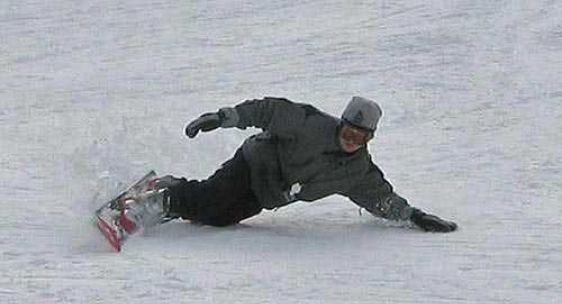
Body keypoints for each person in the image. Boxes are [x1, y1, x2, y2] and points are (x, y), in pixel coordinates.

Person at [121, 97, 457, 234]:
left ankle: (170, 187)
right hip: (254, 163)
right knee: (211, 197)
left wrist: (414, 216)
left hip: (269, 195)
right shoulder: (310, 123)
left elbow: (380, 197)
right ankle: (150, 203)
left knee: (219, 218)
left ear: (370, 138)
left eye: (361, 137)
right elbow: (268, 111)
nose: (351, 140)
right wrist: (223, 118)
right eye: (349, 131)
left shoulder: (357, 172)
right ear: (341, 124)